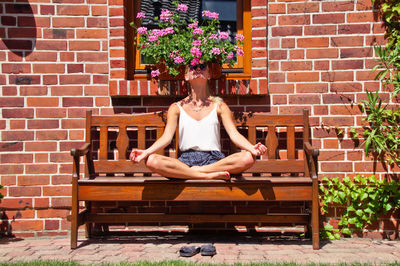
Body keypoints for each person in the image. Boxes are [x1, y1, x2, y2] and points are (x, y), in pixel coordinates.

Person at [129, 63, 267, 180]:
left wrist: (251, 148)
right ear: (186, 76)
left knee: (247, 158)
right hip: (185, 161)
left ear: (209, 75)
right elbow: (166, 138)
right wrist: (146, 152)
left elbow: (234, 135)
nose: (198, 69)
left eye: (202, 66)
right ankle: (205, 176)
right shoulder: (176, 107)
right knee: (152, 160)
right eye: (193, 67)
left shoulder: (219, 106)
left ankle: (197, 172)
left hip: (215, 160)